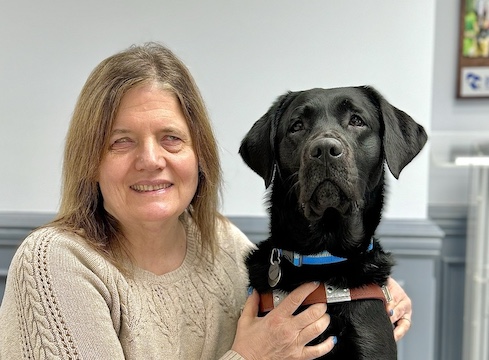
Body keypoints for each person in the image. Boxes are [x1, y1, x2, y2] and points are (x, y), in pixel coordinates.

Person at [0, 42, 411, 359]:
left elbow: (306, 275)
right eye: (120, 142)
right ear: (89, 160)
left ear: (199, 157)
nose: (150, 160)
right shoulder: (55, 263)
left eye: (171, 139)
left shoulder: (221, 244)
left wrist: (370, 286)